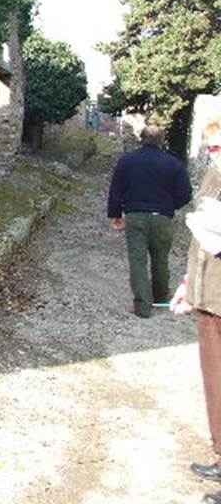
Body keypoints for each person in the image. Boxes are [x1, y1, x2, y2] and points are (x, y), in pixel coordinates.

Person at [170, 116, 221, 497]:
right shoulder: (213, 176)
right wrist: (188, 282)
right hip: (207, 294)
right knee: (214, 382)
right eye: (211, 147)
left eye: (219, 147)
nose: (213, 154)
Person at [107, 124, 193, 317]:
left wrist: (116, 215)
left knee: (137, 260)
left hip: (135, 216)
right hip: (162, 217)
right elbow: (186, 194)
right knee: (161, 259)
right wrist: (170, 206)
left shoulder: (127, 161)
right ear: (161, 141)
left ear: (141, 138)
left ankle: (142, 307)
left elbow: (116, 190)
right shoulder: (174, 164)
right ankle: (161, 298)